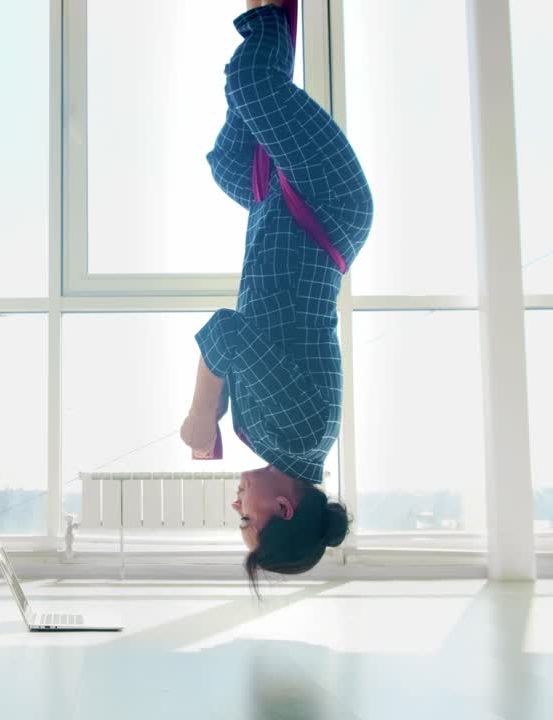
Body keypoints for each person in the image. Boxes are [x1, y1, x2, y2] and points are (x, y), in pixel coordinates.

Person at [178, 0, 373, 588]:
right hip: (324, 207)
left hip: (278, 213)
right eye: (247, 522)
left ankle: (271, 17)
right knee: (252, 83)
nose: (237, 509)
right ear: (283, 509)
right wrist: (198, 416)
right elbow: (227, 332)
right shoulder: (292, 433)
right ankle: (272, 12)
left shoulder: (281, 440)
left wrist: (213, 413)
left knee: (227, 160)